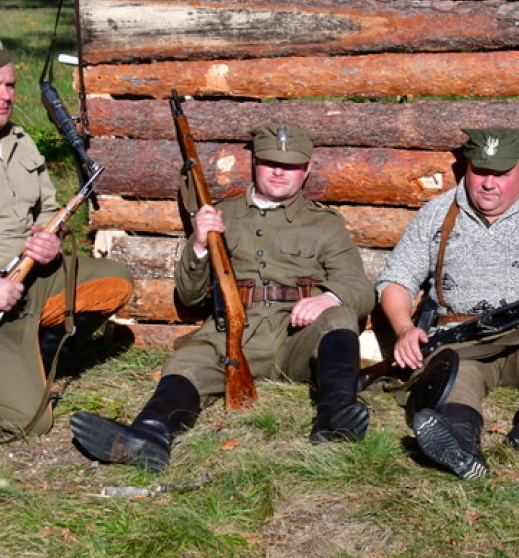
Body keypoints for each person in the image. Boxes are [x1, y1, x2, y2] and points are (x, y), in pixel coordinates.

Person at [69, 124, 376, 472]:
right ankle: (149, 436)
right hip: (234, 335)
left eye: (290, 166)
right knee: (191, 359)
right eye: (269, 162)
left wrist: (327, 299)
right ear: (255, 164)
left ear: (306, 170)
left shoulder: (324, 224)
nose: (279, 171)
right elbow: (189, 295)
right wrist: (199, 244)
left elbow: (360, 288)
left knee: (339, 317)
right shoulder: (222, 215)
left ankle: (336, 418)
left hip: (295, 339)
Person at [0, 30, 134, 438]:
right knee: (31, 422)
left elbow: (48, 210)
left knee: (115, 282)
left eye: (10, 85)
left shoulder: (19, 141)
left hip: (28, 282)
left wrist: (50, 239)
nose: (5, 95)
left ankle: (34, 355)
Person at [376, 127, 519, 480]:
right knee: (454, 373)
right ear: (466, 168)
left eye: (501, 174)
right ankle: (460, 443)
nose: (488, 183)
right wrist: (404, 329)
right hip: (462, 342)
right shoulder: (438, 213)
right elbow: (396, 280)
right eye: (480, 172)